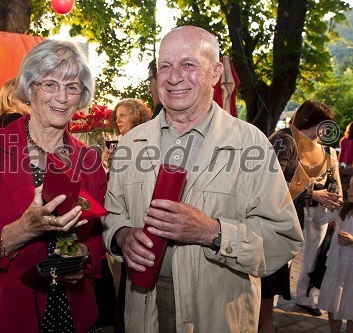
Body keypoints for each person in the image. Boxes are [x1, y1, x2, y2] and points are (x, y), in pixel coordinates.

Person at [102, 25, 303, 333]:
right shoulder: (131, 144)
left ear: (214, 73)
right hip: (144, 311)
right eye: (165, 67)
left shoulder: (250, 144)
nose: (173, 76)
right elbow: (111, 215)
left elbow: (283, 237)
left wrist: (213, 233)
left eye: (189, 64)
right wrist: (122, 235)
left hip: (216, 315)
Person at [0, 39, 107, 333]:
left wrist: (83, 254)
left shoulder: (89, 161)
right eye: (50, 85)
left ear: (81, 96)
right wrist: (21, 230)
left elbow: (98, 237)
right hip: (3, 316)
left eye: (72, 88)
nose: (61, 97)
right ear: (29, 88)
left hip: (72, 315)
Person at [265, 101, 342, 330]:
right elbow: (273, 181)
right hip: (271, 220)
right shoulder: (285, 140)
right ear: (313, 122)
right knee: (271, 276)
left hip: (287, 217)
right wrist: (313, 193)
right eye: (324, 125)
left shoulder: (305, 144)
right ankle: (264, 320)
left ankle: (266, 318)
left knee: (277, 273)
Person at [317, 172, 353, 333]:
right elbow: (319, 220)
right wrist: (323, 205)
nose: (349, 190)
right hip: (337, 263)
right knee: (334, 301)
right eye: (349, 186)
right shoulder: (343, 210)